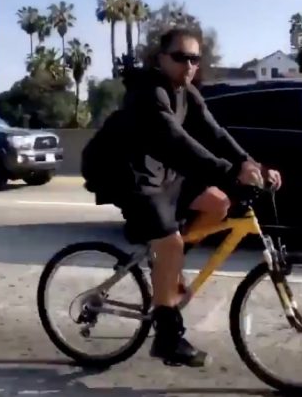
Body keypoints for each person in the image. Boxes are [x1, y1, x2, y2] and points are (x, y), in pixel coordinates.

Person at [109, 28, 282, 367]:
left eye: (194, 58)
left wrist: (252, 163)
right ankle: (167, 338)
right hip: (130, 174)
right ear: (161, 58)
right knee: (171, 242)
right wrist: (231, 172)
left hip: (164, 172)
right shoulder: (149, 93)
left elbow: (215, 134)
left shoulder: (187, 93)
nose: (188, 65)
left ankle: (166, 267)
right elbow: (177, 142)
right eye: (180, 57)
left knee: (218, 204)